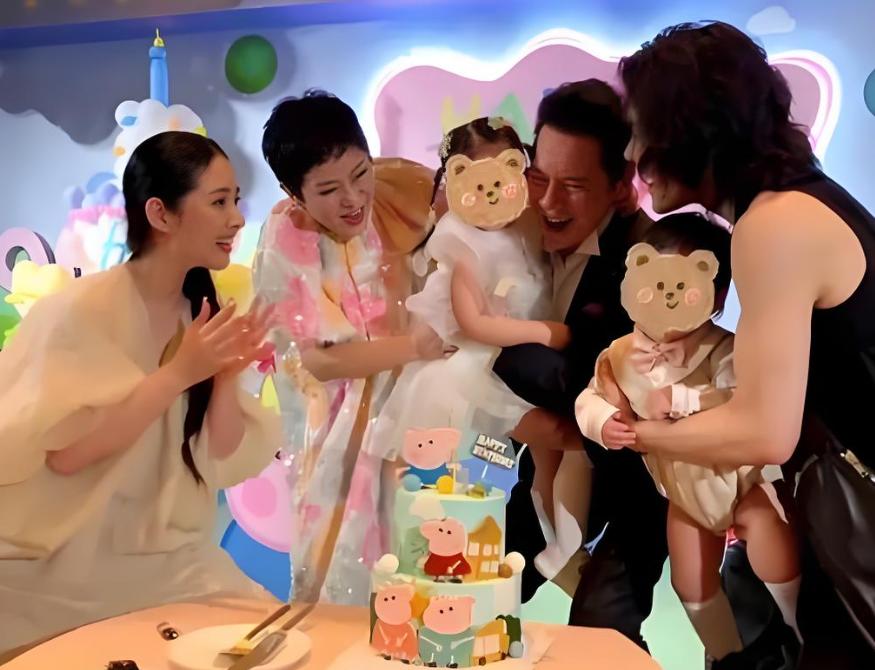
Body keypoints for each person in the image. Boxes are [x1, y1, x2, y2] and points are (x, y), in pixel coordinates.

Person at [621, 21, 875, 668]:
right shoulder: (798, 205)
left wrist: (635, 432)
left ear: (689, 131)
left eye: (641, 131)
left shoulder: (775, 223)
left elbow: (764, 431)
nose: (631, 153)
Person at [0, 131, 280, 654]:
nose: (237, 219)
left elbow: (218, 455)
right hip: (64, 562)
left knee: (264, 638)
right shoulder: (78, 311)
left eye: (236, 201)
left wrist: (224, 376)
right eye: (219, 202)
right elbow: (68, 456)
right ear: (161, 214)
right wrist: (178, 374)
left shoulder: (200, 310)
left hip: (167, 557)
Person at [575, 213, 801, 665]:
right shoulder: (619, 354)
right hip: (681, 488)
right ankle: (727, 654)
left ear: (717, 295)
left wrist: (683, 399)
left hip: (739, 478)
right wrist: (603, 422)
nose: (667, 298)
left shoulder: (724, 347)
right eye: (653, 283)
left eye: (682, 287)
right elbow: (591, 397)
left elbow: (741, 398)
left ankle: (799, 626)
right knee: (691, 582)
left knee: (766, 534)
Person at [492, 79, 664, 645]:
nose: (548, 201)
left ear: (619, 186)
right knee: (471, 594)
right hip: (547, 472)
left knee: (600, 629)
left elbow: (583, 383)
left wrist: (488, 359)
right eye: (539, 177)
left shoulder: (649, 261)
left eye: (572, 185)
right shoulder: (509, 229)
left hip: (640, 479)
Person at [254, 90, 441, 605]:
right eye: (329, 190)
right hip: (335, 425)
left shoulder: (405, 186)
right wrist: (416, 346)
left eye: (361, 174)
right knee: (343, 562)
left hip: (418, 406)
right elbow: (320, 360)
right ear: (293, 192)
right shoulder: (287, 238)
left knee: (433, 559)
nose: (354, 198)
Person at [368, 116, 560, 457]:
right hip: (478, 356)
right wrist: (544, 332)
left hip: (529, 344)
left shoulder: (531, 220)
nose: (493, 193)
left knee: (551, 455)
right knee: (551, 434)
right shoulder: (460, 239)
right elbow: (467, 321)